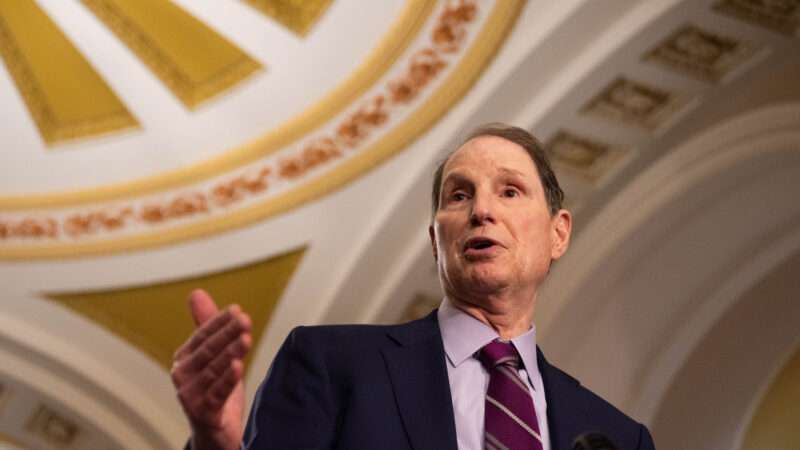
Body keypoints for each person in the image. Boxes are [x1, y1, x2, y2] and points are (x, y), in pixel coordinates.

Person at [171, 124, 656, 450]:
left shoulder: (617, 437)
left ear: (559, 233)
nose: (481, 211)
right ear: (435, 240)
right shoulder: (330, 363)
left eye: (509, 191)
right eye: (458, 195)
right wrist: (216, 441)